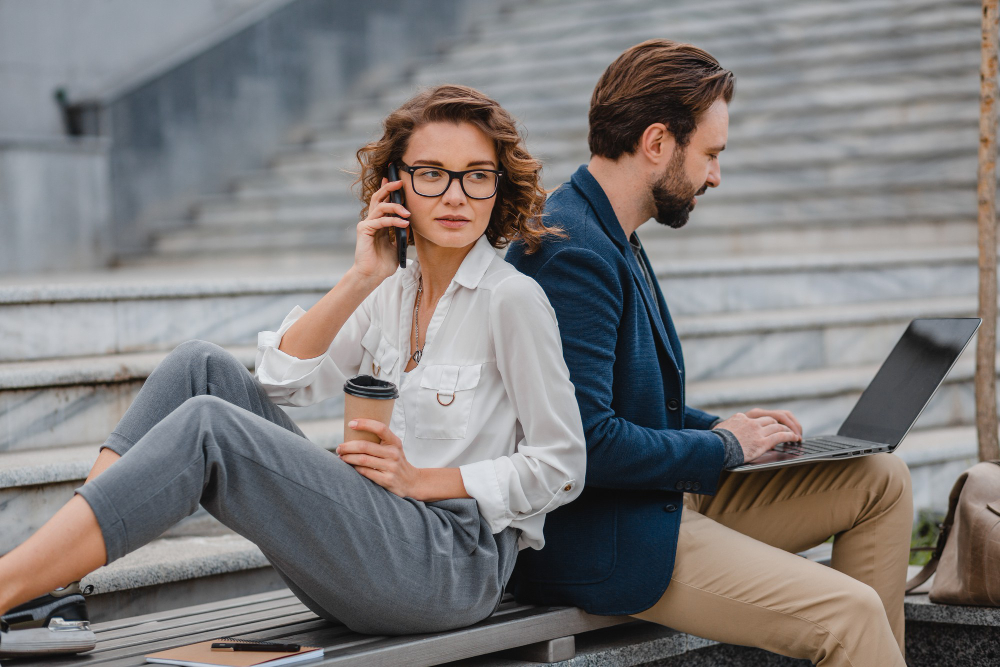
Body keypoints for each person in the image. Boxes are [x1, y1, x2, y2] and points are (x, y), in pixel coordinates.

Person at [0, 84, 586, 658]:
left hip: (449, 566)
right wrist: (362, 277)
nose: (456, 196)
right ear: (396, 185)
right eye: (432, 173)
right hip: (372, 545)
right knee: (197, 366)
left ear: (497, 185)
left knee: (209, 426)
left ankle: (6, 586)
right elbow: (282, 382)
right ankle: (50, 591)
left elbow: (563, 465)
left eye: (476, 175)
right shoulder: (390, 292)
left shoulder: (511, 299)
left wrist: (426, 481)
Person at [506, 39, 913, 667]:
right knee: (847, 613)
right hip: (606, 540)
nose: (716, 176)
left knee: (877, 479)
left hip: (651, 503)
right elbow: (582, 443)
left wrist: (727, 428)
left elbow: (626, 406)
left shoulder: (609, 230)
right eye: (711, 155)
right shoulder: (574, 253)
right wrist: (724, 447)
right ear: (658, 142)